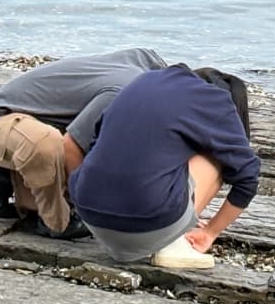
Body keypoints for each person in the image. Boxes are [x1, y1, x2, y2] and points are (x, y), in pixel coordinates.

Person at [67, 64, 258, 270]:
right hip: (147, 225)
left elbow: (96, 140)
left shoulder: (143, 82)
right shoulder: (215, 100)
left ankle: (166, 225)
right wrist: (210, 232)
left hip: (89, 215)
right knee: (217, 157)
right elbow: (248, 177)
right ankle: (173, 242)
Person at [0, 47, 166, 238]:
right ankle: (53, 222)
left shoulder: (142, 72)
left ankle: (1, 173)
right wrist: (89, 207)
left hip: (35, 128)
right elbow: (71, 146)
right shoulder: (125, 87)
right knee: (46, 143)